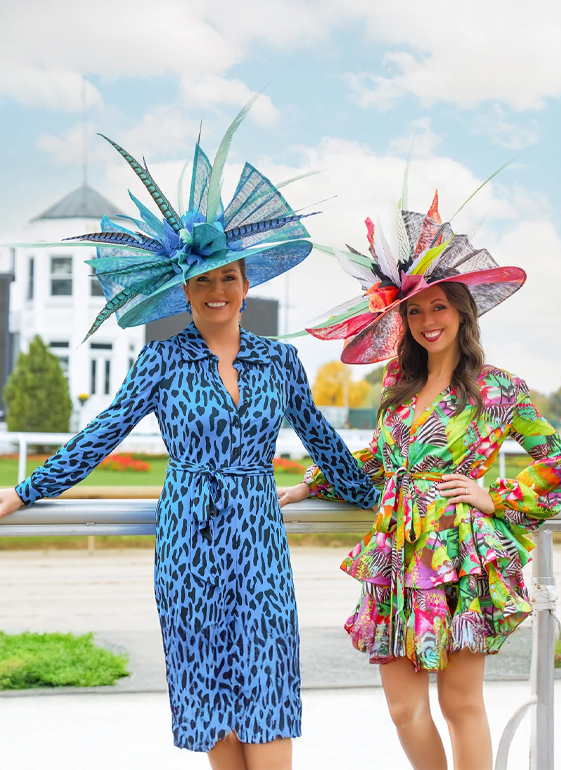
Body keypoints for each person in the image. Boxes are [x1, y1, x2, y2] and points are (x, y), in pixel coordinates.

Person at [0, 106, 380, 770]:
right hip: (189, 541)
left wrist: (381, 490)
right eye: (203, 279)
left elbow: (327, 448)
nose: (216, 290)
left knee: (266, 707)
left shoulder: (280, 363)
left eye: (228, 276)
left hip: (260, 541)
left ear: (246, 282)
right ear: (185, 286)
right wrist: (24, 492)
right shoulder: (161, 362)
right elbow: (101, 435)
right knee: (213, 712)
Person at [278, 192, 561, 770]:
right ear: (402, 321)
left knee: (460, 703)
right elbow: (380, 461)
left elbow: (559, 460)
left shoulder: (496, 388)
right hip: (396, 552)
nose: (427, 321)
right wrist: (309, 484)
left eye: (438, 307)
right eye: (414, 312)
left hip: (460, 554)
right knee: (402, 708)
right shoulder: (398, 388)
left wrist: (497, 497)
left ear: (462, 311)